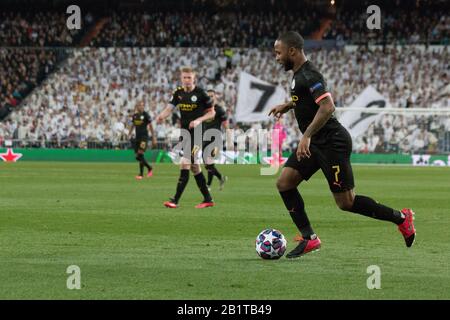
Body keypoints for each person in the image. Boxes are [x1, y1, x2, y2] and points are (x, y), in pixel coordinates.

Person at [269, 31, 416, 259]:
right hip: (316, 143)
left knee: (346, 203)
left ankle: (402, 218)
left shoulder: (310, 74)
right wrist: (288, 105)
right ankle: (310, 238)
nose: (276, 57)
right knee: (285, 183)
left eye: (278, 53)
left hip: (331, 143)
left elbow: (328, 106)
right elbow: (306, 99)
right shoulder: (298, 76)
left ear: (292, 51)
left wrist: (306, 135)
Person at [156, 67, 216, 209]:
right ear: (181, 78)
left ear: (194, 78)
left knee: (185, 162)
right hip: (185, 134)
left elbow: (212, 113)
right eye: (185, 77)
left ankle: (175, 200)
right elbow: (169, 108)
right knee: (195, 167)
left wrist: (199, 120)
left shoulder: (201, 93)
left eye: (189, 77)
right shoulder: (178, 93)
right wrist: (160, 116)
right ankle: (208, 199)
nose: (187, 80)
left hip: (198, 132)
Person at [203, 89, 228, 190]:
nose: (210, 98)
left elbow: (226, 125)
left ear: (215, 97)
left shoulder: (220, 109)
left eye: (211, 96)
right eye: (208, 96)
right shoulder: (204, 109)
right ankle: (221, 178)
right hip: (205, 138)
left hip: (216, 139)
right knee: (207, 164)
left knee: (209, 161)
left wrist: (229, 138)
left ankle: (208, 185)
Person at [128, 101, 156, 180]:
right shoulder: (135, 116)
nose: (141, 107)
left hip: (144, 137)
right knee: (138, 157)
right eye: (139, 105)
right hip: (137, 137)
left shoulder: (146, 115)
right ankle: (149, 168)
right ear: (137, 107)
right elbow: (133, 125)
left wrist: (153, 137)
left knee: (140, 154)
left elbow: (151, 126)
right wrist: (129, 133)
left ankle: (141, 174)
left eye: (142, 105)